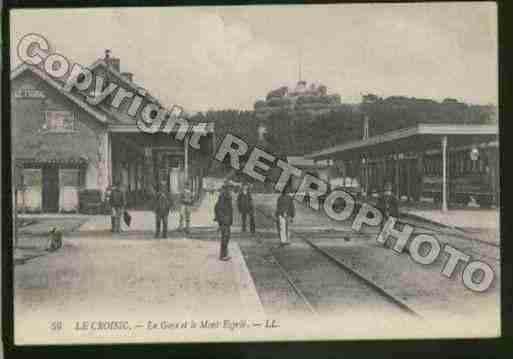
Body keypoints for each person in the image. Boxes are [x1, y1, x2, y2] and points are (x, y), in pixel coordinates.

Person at [215, 182, 233, 261]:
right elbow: (218, 209)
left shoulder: (226, 197)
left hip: (227, 220)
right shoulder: (223, 197)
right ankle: (223, 255)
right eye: (229, 188)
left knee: (226, 237)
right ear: (226, 189)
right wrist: (222, 220)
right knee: (225, 237)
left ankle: (224, 254)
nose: (230, 190)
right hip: (225, 221)